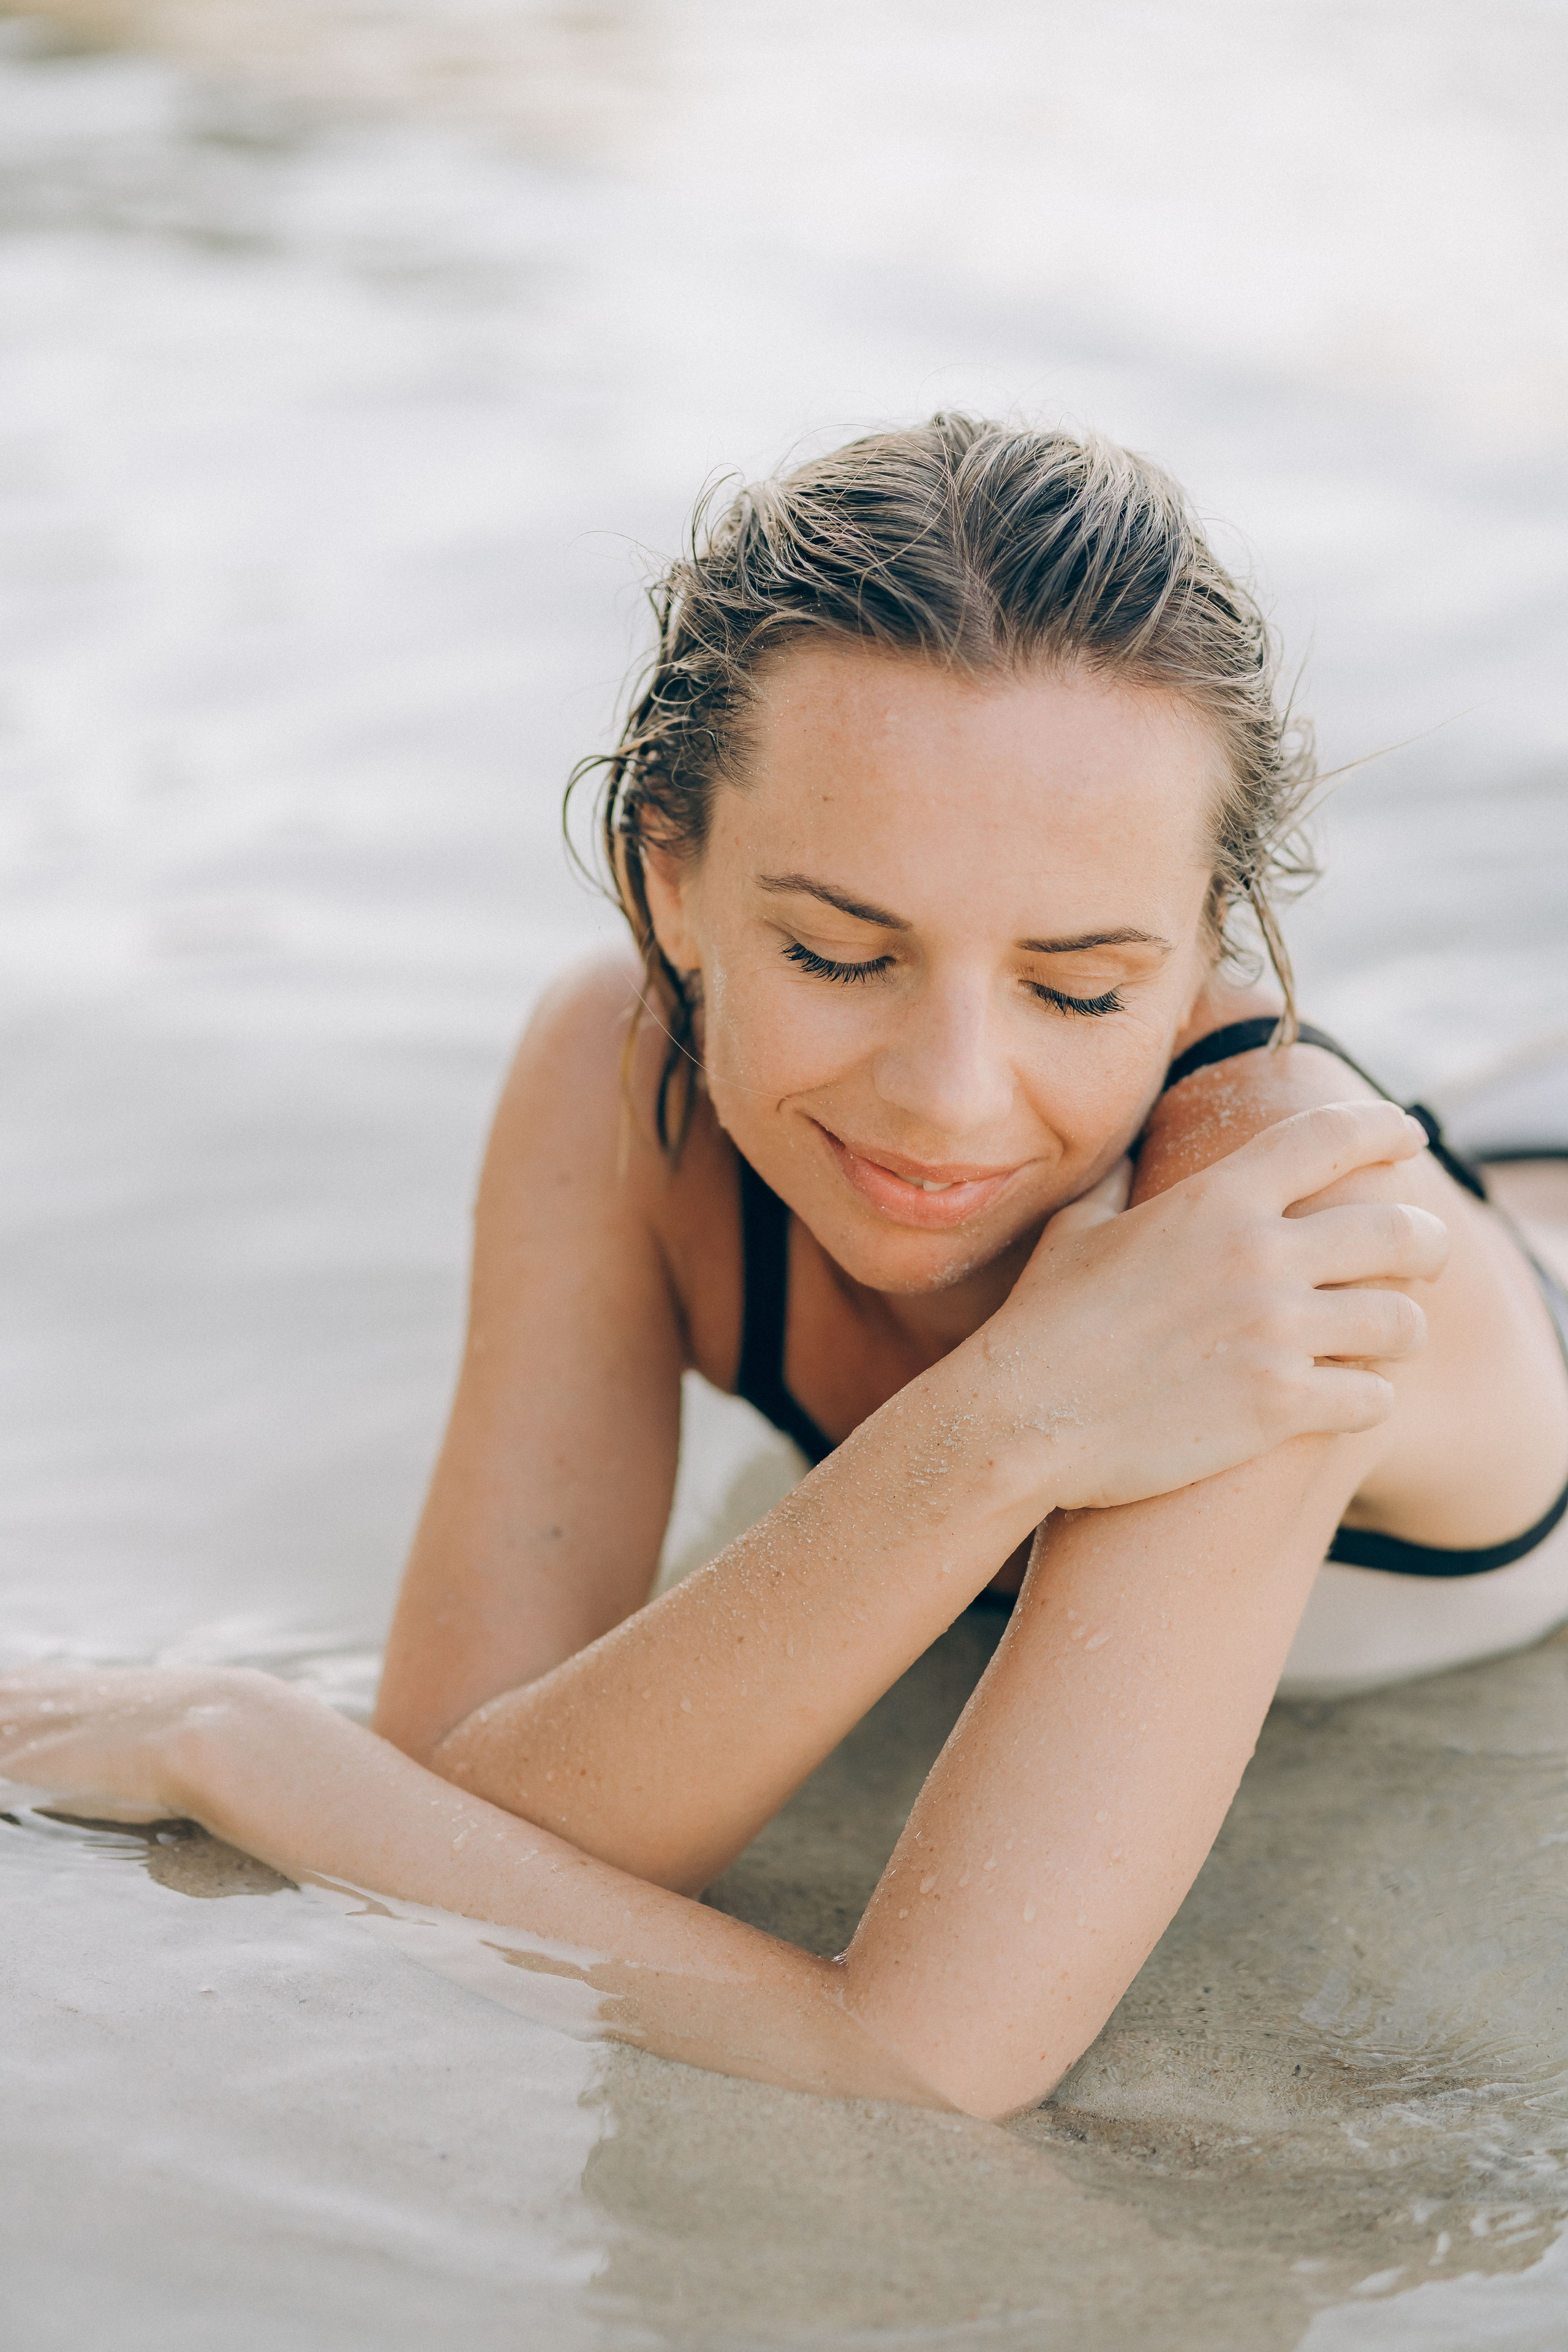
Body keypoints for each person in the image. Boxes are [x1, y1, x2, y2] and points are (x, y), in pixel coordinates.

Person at [6, 419, 1566, 2123]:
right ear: (668, 879)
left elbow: (927, 2059)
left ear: (1206, 947)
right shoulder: (624, 1069)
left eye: (1080, 987)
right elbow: (478, 1812)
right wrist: (1022, 1408)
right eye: (836, 953)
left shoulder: (1279, 1240)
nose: (950, 1097)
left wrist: (234, 1744)